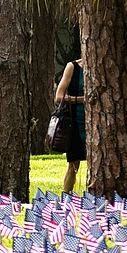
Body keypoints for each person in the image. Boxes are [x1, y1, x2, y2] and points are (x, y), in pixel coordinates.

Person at [55, 58, 86, 191]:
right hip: (75, 121)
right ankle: (65, 198)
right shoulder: (72, 66)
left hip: (98, 121)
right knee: (73, 165)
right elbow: (59, 97)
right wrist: (82, 99)